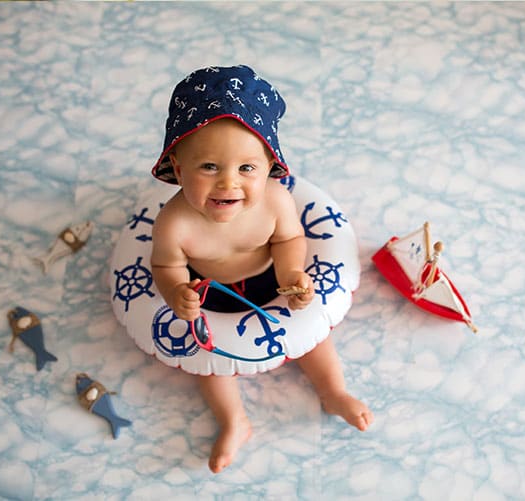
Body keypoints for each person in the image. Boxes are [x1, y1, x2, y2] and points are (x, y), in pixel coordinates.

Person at [149, 65, 373, 473]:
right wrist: (176, 291)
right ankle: (234, 421)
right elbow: (165, 263)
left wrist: (291, 275)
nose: (228, 184)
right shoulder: (174, 221)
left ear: (270, 166)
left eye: (246, 168)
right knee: (210, 362)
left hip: (269, 275)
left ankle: (332, 391)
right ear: (178, 169)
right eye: (209, 168)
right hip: (209, 289)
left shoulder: (274, 202)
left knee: (313, 337)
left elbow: (288, 240)